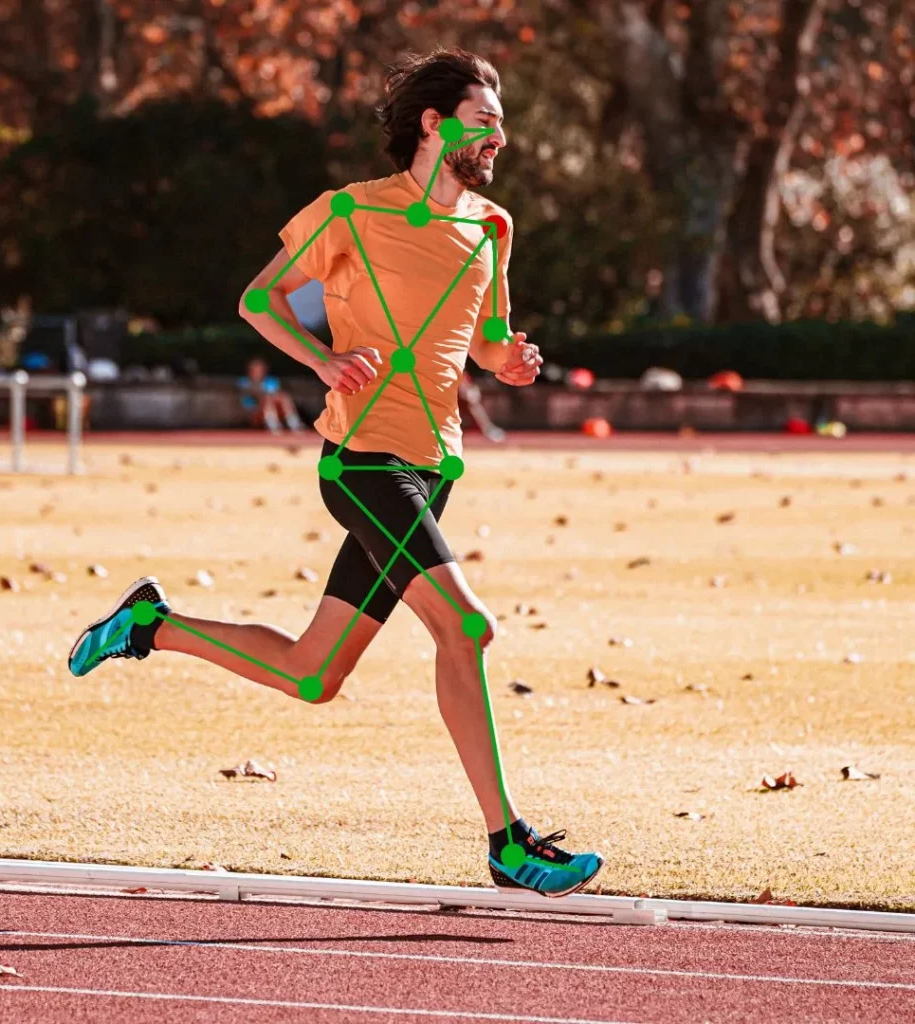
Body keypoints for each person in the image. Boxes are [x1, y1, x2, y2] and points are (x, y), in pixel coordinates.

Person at [68, 48, 603, 897]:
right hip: (361, 462)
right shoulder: (349, 213)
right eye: (485, 118)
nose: (500, 134)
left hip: (436, 466)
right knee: (466, 628)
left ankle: (149, 625)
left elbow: (490, 337)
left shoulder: (492, 227)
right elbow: (260, 299)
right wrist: (323, 362)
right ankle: (508, 842)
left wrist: (511, 362)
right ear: (435, 124)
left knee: (314, 676)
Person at [237, 357, 304, 433]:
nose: (259, 372)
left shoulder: (271, 381)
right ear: (251, 371)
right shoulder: (244, 382)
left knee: (284, 397)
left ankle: (293, 423)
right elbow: (250, 396)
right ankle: (273, 425)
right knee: (268, 399)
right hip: (253, 412)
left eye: (261, 370)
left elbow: (276, 394)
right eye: (256, 370)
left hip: (273, 409)